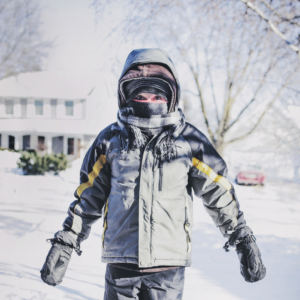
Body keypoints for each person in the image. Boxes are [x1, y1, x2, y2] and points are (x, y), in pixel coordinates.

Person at [40, 48, 266, 299]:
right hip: (121, 266)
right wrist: (67, 240)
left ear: (171, 95)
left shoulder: (188, 141)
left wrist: (241, 236)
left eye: (156, 94)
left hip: (168, 270)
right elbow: (88, 197)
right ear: (126, 95)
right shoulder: (111, 140)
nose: (148, 101)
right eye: (140, 94)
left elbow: (218, 191)